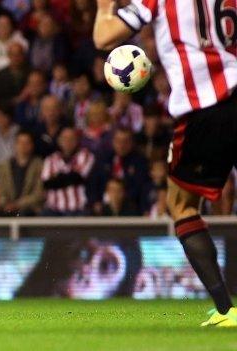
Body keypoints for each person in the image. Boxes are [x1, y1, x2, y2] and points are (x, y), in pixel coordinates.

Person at [94, 0, 237, 326]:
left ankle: (227, 312)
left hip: (205, 108)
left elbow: (104, 38)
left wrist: (104, 9)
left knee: (181, 205)